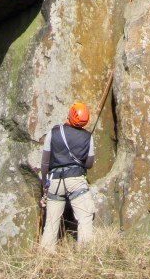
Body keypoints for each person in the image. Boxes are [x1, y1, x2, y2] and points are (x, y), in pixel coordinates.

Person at [39, 102, 95, 247]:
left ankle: (45, 254)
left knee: (51, 223)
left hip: (55, 182)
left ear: (70, 115)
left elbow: (45, 163)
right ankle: (85, 252)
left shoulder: (53, 133)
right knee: (85, 216)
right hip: (76, 180)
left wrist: (45, 184)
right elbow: (89, 164)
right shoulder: (87, 137)